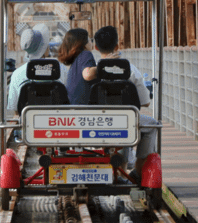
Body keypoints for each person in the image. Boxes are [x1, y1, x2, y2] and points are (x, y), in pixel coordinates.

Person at [85, 25, 160, 180]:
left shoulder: (92, 72)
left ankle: (116, 169)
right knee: (151, 125)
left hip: (98, 122)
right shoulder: (130, 69)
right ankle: (137, 171)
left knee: (124, 123)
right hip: (125, 122)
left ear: (96, 47)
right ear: (117, 46)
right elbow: (145, 102)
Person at [6, 23, 51, 116]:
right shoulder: (61, 70)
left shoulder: (16, 74)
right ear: (44, 48)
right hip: (56, 126)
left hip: (27, 127)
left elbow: (15, 110)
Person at [57, 28, 97, 105]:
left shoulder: (76, 60)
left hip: (73, 106)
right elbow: (87, 75)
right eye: (89, 39)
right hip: (84, 108)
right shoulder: (86, 54)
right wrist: (104, 66)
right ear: (82, 43)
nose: (91, 42)